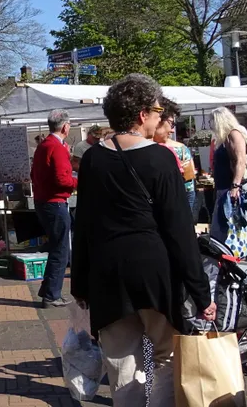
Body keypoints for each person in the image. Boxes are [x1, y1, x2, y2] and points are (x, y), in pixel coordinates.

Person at [73, 74, 215, 406]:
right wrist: (200, 289)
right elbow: (180, 230)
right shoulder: (162, 158)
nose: (158, 117)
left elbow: (84, 225)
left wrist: (79, 283)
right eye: (156, 110)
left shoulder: (92, 159)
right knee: (166, 356)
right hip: (154, 270)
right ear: (141, 114)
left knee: (121, 363)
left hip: (107, 271)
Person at [30, 109, 76, 309]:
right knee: (61, 249)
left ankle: (48, 289)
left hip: (45, 201)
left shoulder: (44, 146)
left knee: (57, 246)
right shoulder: (55, 147)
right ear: (65, 126)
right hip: (54, 202)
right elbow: (62, 179)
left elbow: (36, 174)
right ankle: (51, 294)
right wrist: (80, 180)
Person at [210, 106, 247, 261]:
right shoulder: (226, 137)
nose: (211, 125)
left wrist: (235, 186)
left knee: (241, 230)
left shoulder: (234, 134)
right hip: (228, 189)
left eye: (212, 121)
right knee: (238, 231)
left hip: (235, 189)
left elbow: (240, 161)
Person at [153, 98, 196, 212]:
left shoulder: (179, 148)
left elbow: (190, 175)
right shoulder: (143, 151)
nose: (172, 130)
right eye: (171, 124)